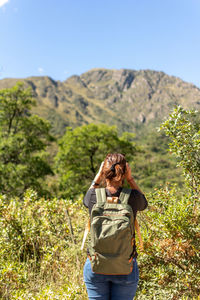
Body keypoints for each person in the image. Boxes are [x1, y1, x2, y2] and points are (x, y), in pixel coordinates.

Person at [83, 153, 148, 300]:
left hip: (96, 265)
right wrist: (130, 179)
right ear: (125, 172)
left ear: (104, 171)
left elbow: (86, 199)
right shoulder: (133, 197)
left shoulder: (93, 196)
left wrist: (98, 176)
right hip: (126, 266)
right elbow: (144, 203)